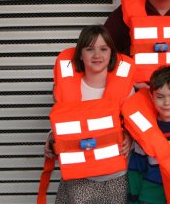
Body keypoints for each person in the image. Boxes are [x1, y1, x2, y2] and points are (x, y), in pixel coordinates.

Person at [40, 25, 135, 204]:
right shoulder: (65, 88)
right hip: (78, 179)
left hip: (115, 177)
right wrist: (51, 139)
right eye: (90, 49)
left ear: (111, 54)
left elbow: (132, 126)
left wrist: (129, 138)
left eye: (103, 49)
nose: (97, 55)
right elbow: (60, 125)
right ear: (80, 55)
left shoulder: (126, 90)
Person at [126, 66, 170, 203]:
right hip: (151, 198)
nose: (167, 103)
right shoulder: (144, 131)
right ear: (152, 97)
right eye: (160, 97)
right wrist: (133, 200)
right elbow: (136, 169)